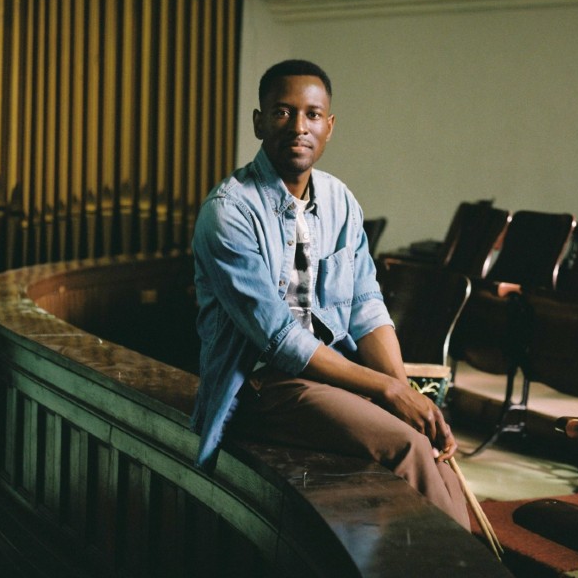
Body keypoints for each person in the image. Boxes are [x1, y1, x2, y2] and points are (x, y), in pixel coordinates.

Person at [190, 58, 471, 530]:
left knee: (427, 438)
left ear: (329, 125)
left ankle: (474, 561)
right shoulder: (227, 211)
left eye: (312, 114)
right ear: (259, 121)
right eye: (282, 112)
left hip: (334, 376)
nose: (298, 127)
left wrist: (403, 392)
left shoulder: (340, 200)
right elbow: (280, 340)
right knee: (408, 447)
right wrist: (387, 390)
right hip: (264, 387)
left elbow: (366, 307)